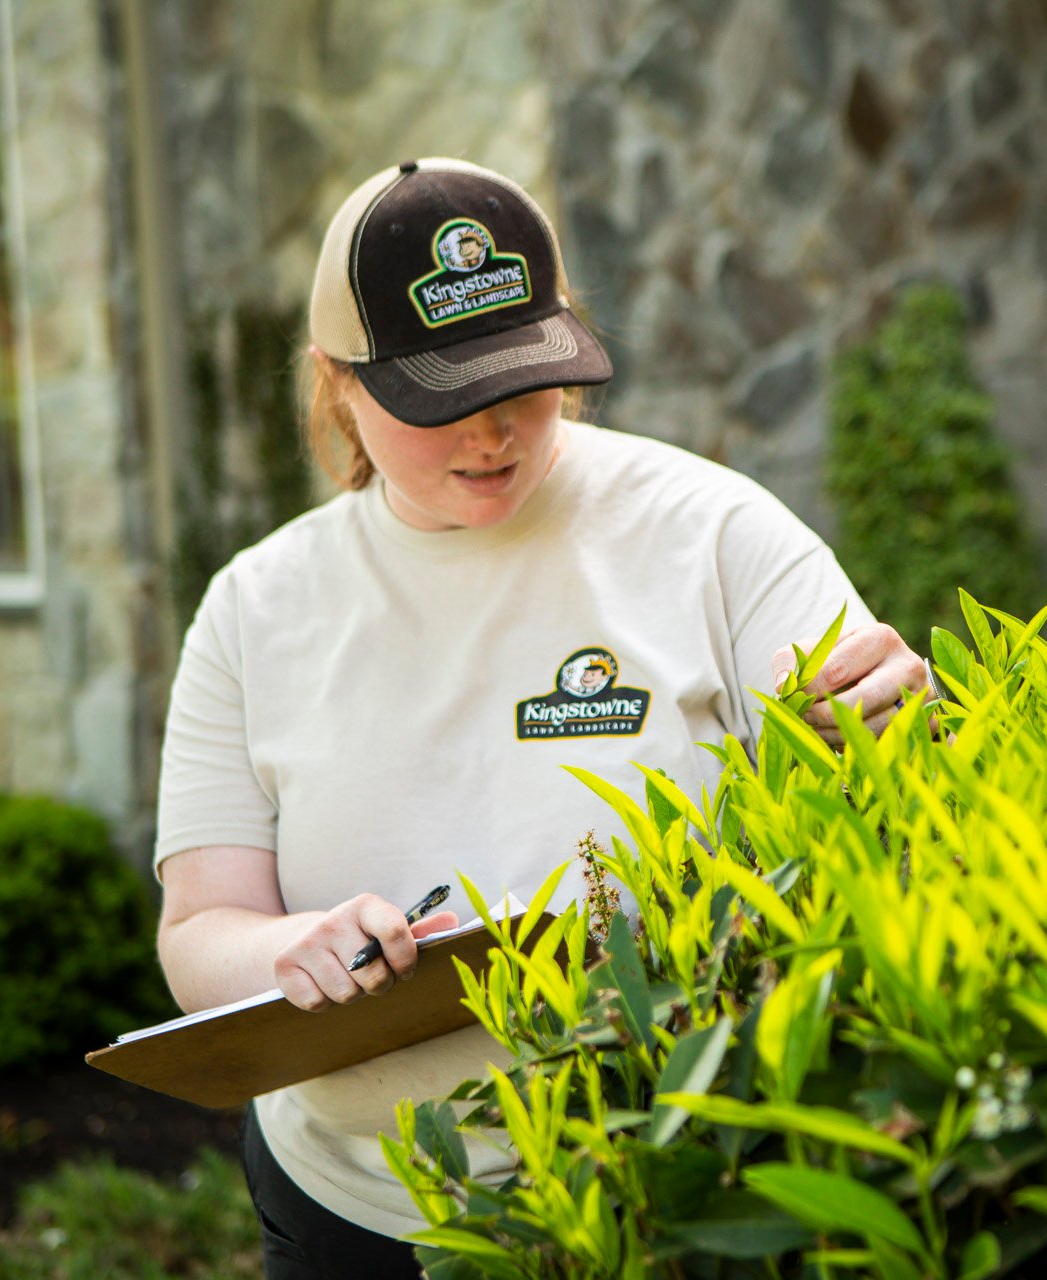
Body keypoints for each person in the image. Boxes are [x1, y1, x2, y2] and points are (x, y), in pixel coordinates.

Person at [153, 157, 930, 1279]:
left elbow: (878, 789)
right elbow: (200, 929)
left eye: (525, 381)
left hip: (666, 1187)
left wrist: (895, 721)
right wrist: (286, 950)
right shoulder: (255, 606)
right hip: (353, 1206)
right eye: (442, 400)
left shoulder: (710, 532)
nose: (494, 433)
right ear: (338, 383)